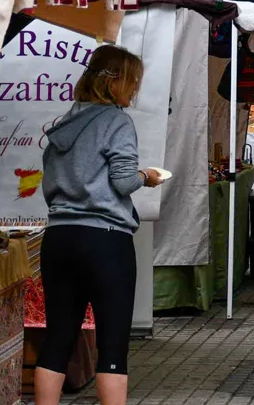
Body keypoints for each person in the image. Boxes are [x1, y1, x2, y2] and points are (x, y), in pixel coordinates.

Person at [33, 45, 166, 405]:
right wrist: (147, 176)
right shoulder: (116, 122)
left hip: (59, 237)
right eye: (133, 82)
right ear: (116, 83)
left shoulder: (64, 124)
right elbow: (123, 182)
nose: (135, 90)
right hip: (105, 241)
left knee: (57, 340)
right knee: (112, 345)